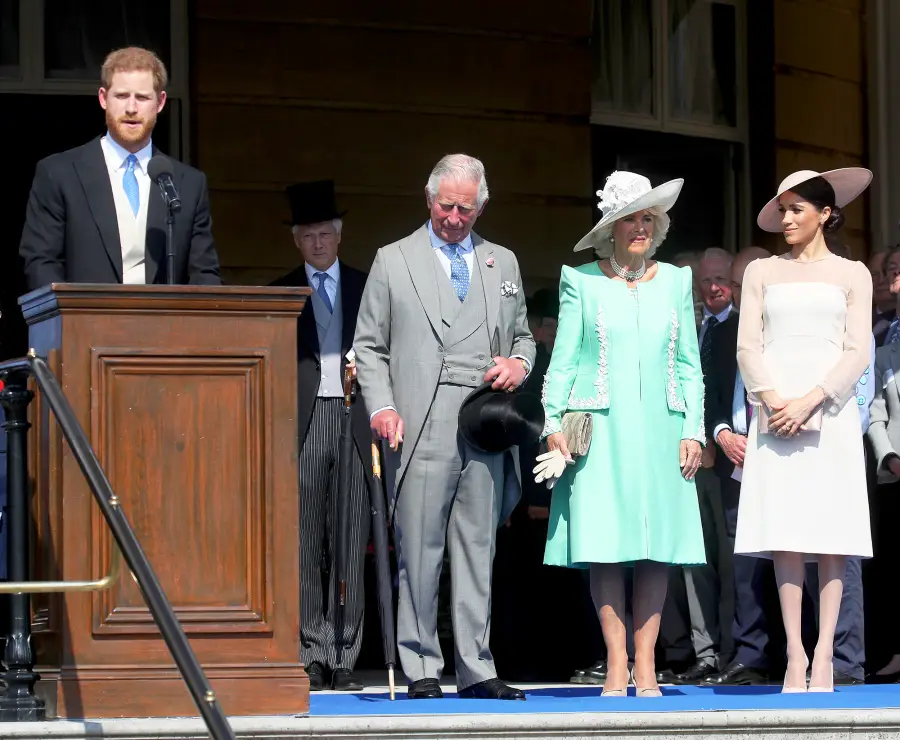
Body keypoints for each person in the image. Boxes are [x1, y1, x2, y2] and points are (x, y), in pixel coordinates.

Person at [353, 154, 536, 700]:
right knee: (419, 549)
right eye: (446, 206)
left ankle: (477, 666)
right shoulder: (393, 260)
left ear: (482, 207)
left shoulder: (502, 262)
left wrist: (519, 364)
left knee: (478, 547)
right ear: (428, 198)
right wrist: (382, 407)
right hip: (420, 421)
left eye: (467, 209)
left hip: (485, 421)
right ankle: (422, 665)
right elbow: (370, 346)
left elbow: (524, 337)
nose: (455, 218)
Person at [536, 170, 707, 697]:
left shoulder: (676, 281)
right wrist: (552, 423)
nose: (640, 227)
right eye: (630, 218)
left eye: (648, 218)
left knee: (657, 547)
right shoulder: (580, 280)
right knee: (605, 545)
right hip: (599, 430)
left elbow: (689, 364)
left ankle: (647, 662)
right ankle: (615, 661)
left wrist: (694, 430)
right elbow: (563, 360)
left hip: (663, 428)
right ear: (610, 228)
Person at [735, 168, 874, 693]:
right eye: (783, 210)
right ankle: (795, 652)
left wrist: (813, 399)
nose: (787, 219)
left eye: (797, 209)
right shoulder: (762, 271)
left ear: (825, 213)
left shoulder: (853, 273)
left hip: (831, 412)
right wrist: (774, 403)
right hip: (774, 414)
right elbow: (747, 346)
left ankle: (825, 653)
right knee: (785, 532)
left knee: (831, 533)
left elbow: (857, 350)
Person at [269, 180, 372, 691]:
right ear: (296, 240)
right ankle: (312, 650)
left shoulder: (366, 286)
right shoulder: (281, 291)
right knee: (305, 539)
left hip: (354, 419)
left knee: (350, 536)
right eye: (307, 235)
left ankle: (346, 654)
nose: (317, 243)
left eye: (325, 234)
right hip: (304, 423)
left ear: (339, 235)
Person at [19, 47, 221, 290]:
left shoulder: (188, 184)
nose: (131, 108)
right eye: (122, 96)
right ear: (103, 98)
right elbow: (41, 264)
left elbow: (204, 274)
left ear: (160, 102)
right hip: (83, 314)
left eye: (142, 98)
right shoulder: (59, 174)